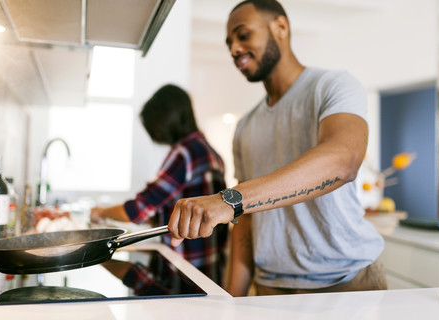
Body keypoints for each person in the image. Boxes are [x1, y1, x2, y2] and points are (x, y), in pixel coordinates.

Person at [167, 0, 386, 296]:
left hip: (347, 281)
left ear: (280, 27)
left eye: (243, 35)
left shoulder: (333, 86)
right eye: (229, 43)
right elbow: (245, 220)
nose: (233, 49)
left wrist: (229, 199)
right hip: (271, 285)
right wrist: (230, 302)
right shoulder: (245, 126)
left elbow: (344, 160)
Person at [91, 84, 228, 286]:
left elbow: (138, 210)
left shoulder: (185, 153)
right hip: (209, 272)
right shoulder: (211, 153)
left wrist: (100, 212)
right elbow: (179, 214)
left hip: (183, 273)